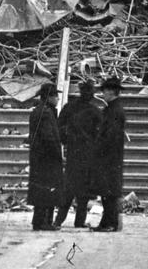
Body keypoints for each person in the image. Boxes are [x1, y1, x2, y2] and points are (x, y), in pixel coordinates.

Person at [54, 80, 102, 228]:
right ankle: (79, 222)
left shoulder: (70, 107)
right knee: (83, 192)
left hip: (74, 153)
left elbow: (59, 126)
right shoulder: (95, 111)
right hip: (87, 154)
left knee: (69, 189)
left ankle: (59, 220)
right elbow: (100, 134)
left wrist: (66, 140)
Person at [90, 76, 126, 232]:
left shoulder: (114, 111)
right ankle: (108, 222)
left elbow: (110, 136)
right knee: (107, 192)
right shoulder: (114, 109)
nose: (102, 94)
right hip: (111, 157)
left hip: (109, 158)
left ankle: (110, 223)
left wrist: (99, 151)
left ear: (111, 91)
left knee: (109, 192)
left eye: (104, 91)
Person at [27, 82, 63, 231]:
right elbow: (49, 138)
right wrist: (58, 156)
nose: (58, 99)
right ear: (49, 97)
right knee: (48, 190)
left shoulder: (38, 111)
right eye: (55, 96)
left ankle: (39, 221)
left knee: (41, 189)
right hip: (47, 159)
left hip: (38, 157)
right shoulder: (47, 113)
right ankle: (44, 222)